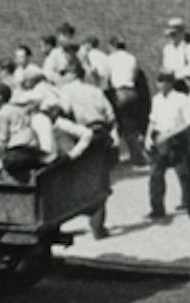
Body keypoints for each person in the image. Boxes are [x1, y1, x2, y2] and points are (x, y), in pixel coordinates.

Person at [59, 57, 116, 238]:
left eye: (64, 73)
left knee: (79, 178)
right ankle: (98, 226)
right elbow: (110, 115)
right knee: (100, 179)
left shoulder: (65, 91)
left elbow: (64, 112)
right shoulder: (95, 90)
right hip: (101, 133)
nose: (62, 77)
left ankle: (73, 216)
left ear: (73, 73)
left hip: (83, 134)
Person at [146, 70, 190, 219]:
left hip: (177, 140)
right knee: (155, 175)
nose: (161, 85)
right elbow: (153, 120)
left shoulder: (181, 99)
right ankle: (157, 209)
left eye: (164, 81)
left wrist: (169, 135)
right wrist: (148, 137)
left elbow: (188, 122)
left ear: (171, 83)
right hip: (159, 139)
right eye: (159, 81)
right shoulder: (156, 99)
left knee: (184, 174)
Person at [106, 37, 147, 165]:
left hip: (119, 93)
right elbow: (135, 76)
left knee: (116, 126)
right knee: (131, 126)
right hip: (132, 92)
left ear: (112, 46)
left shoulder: (110, 59)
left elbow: (107, 77)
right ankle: (137, 156)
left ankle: (113, 158)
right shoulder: (132, 58)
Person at [162, 17, 190, 81]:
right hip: (170, 83)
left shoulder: (189, 49)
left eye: (173, 34)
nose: (171, 37)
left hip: (185, 84)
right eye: (169, 35)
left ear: (181, 34)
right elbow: (166, 68)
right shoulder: (167, 49)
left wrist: (176, 74)